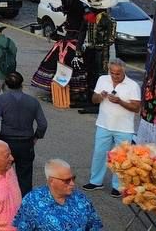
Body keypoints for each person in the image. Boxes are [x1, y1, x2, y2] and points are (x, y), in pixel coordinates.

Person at [82, 60, 140, 195]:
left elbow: (136, 108)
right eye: (112, 73)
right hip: (104, 124)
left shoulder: (133, 85)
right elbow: (94, 99)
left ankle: (118, 186)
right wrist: (100, 97)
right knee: (99, 154)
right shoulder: (102, 79)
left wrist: (120, 101)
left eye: (118, 74)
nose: (114, 76)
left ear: (124, 71)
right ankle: (95, 181)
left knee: (121, 158)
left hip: (124, 128)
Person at [0, 71, 47, 195]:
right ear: (22, 84)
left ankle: (0, 198)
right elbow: (42, 124)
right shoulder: (32, 101)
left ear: (6, 85)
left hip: (7, 141)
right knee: (25, 177)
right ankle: (24, 205)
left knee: (1, 173)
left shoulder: (2, 99)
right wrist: (37, 136)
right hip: (26, 142)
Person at [11, 159, 103, 231]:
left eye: (73, 178)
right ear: (51, 181)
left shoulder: (81, 199)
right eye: (67, 180)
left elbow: (94, 225)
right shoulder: (32, 201)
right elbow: (23, 227)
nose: (72, 184)